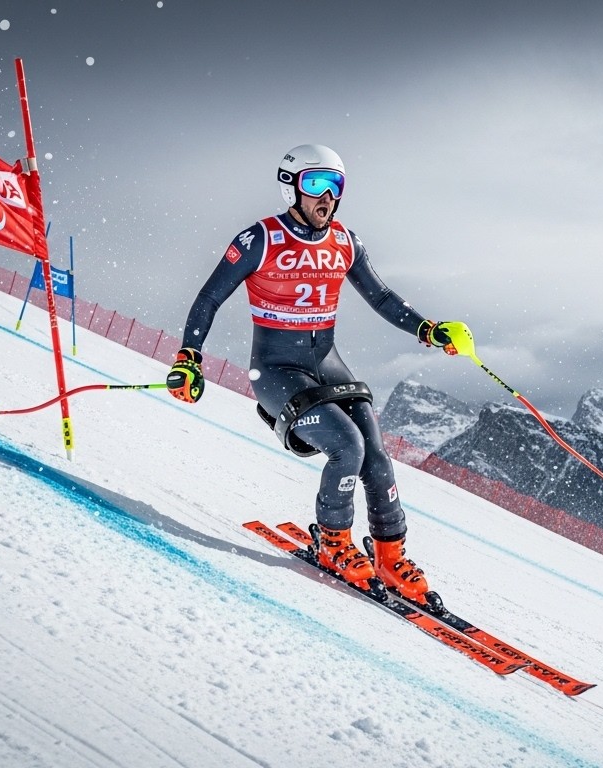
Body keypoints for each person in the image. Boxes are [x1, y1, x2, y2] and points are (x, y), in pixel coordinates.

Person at [167, 143, 467, 604]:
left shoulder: (346, 243)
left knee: (376, 456)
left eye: (336, 186)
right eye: (315, 184)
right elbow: (208, 298)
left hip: (326, 362)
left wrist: (429, 329)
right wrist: (189, 357)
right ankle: (333, 544)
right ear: (291, 187)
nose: (327, 197)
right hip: (275, 370)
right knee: (346, 447)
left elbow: (383, 298)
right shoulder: (259, 240)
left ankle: (390, 554)